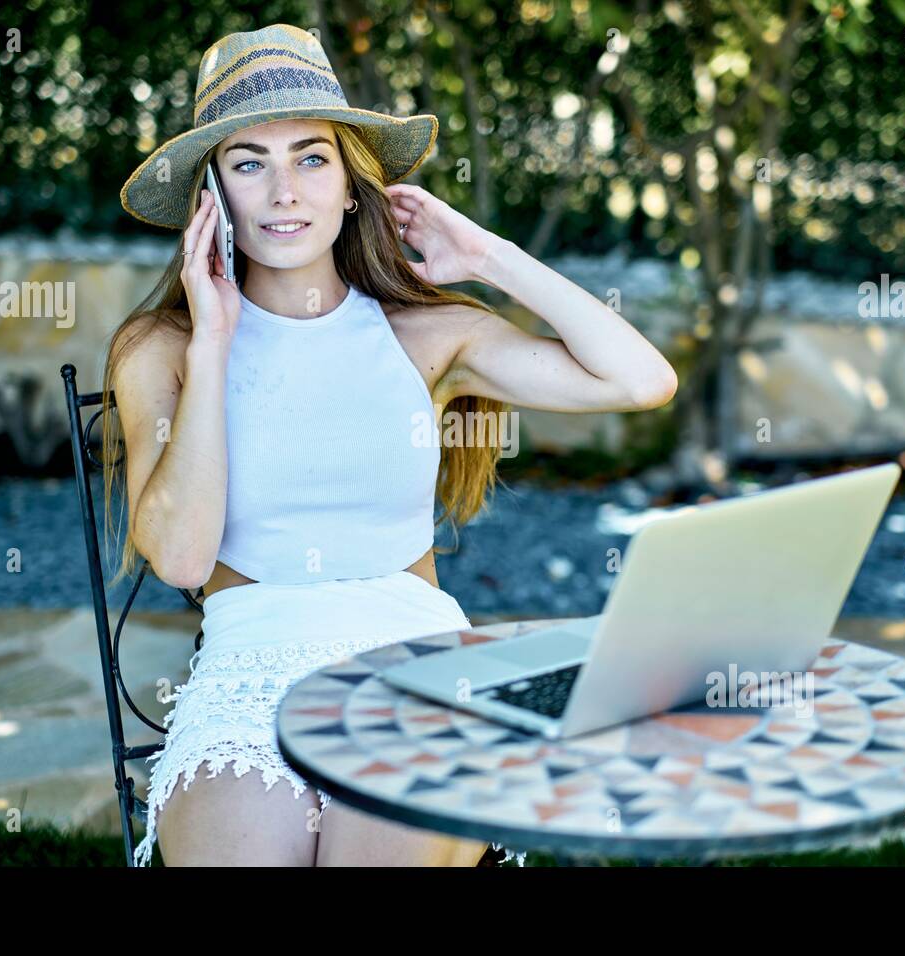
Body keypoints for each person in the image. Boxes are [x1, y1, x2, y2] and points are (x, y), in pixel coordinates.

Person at [103, 24, 678, 867]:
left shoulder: (425, 335)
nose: (284, 192)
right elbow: (185, 559)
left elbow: (641, 380)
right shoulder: (162, 347)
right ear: (212, 196)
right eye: (249, 163)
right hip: (248, 667)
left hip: (412, 659)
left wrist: (489, 257)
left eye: (311, 158)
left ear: (348, 186)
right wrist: (216, 342)